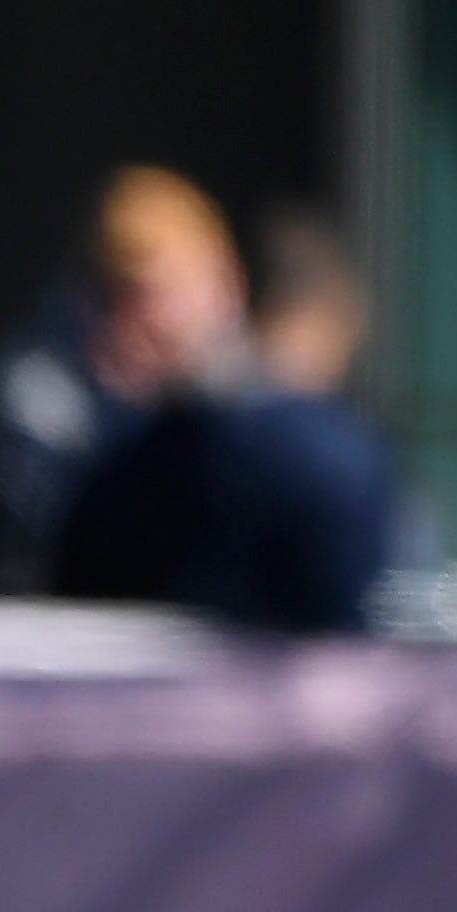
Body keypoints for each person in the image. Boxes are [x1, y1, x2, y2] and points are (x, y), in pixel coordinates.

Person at [60, 201, 399, 635]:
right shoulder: (331, 457)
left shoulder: (129, 461)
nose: (156, 322)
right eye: (124, 300)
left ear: (233, 291)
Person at [0, 163, 249, 594]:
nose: (219, 304)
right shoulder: (41, 391)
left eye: (218, 281)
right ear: (115, 300)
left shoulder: (249, 392)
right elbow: (55, 534)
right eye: (170, 288)